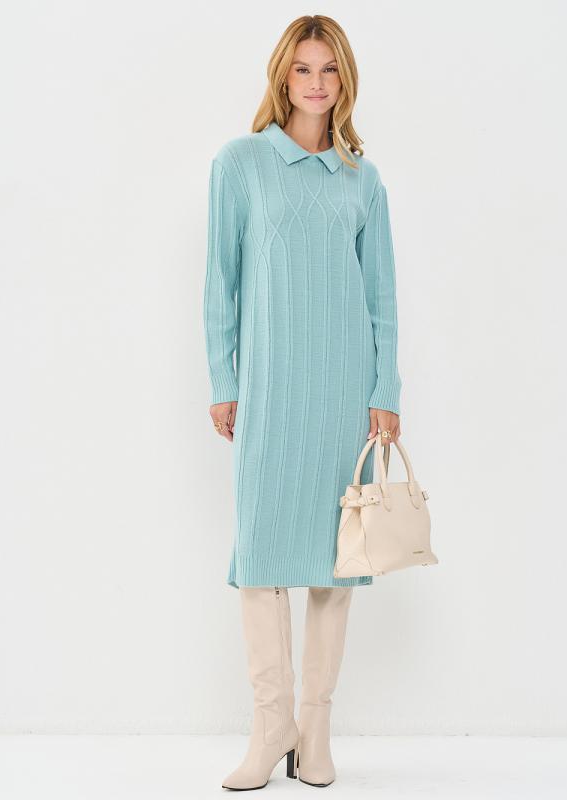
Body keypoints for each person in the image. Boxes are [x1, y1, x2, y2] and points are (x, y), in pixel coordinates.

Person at [203, 14, 402, 790]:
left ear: (344, 80)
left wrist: (385, 391)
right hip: (269, 391)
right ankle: (271, 725)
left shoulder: (363, 178)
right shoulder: (241, 163)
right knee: (260, 560)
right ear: (282, 77)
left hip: (342, 396)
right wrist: (224, 381)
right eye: (302, 69)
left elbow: (381, 296)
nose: (316, 83)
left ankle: (314, 729)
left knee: (333, 565)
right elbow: (220, 283)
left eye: (328, 69)